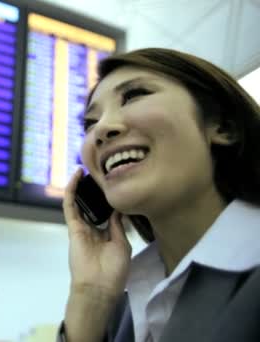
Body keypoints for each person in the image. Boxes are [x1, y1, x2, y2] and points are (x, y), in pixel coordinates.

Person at [59, 48, 260, 342]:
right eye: (90, 124)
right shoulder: (119, 314)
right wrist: (90, 298)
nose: (101, 129)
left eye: (134, 95)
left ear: (223, 127)